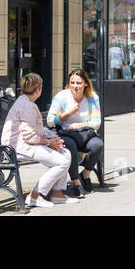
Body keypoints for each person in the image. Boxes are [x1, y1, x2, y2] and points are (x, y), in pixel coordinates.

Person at [2, 73, 79, 208]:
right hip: (19, 148)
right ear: (38, 89)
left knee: (65, 153)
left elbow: (35, 130)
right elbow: (30, 137)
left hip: (25, 145)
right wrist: (49, 142)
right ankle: (36, 195)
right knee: (62, 161)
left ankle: (57, 193)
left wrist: (52, 137)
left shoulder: (25, 102)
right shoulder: (28, 106)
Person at [47, 68, 104, 197]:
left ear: (85, 84)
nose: (75, 86)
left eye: (78, 83)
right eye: (72, 83)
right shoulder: (62, 97)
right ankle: (76, 182)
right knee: (70, 146)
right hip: (66, 133)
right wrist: (67, 114)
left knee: (98, 145)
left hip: (85, 133)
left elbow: (96, 122)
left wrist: (80, 124)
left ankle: (85, 174)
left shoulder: (92, 98)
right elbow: (50, 121)